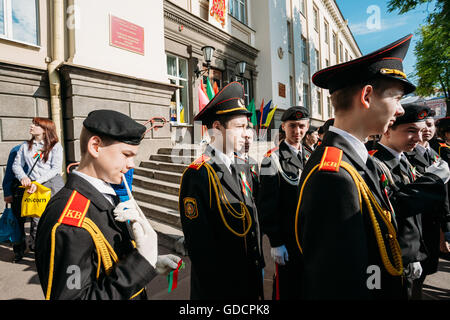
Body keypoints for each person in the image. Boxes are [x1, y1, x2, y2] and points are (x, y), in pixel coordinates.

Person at [295, 34, 419, 300]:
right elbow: (338, 284)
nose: (399, 111)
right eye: (396, 98)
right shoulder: (335, 175)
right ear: (367, 96)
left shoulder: (358, 160)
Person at [35, 110, 180, 300]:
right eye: (126, 154)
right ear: (95, 146)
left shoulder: (104, 194)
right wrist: (139, 265)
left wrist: (147, 264)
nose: (132, 164)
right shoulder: (70, 221)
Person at [179, 82, 264, 300]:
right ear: (217, 127)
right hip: (222, 291)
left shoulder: (243, 166)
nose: (247, 134)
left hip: (249, 281)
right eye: (240, 127)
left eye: (247, 126)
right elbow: (201, 249)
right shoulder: (199, 174)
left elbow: (252, 221)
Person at [370, 103, 450, 299]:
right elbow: (392, 209)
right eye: (411, 131)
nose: (419, 137)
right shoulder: (374, 162)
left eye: (421, 131)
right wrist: (431, 181)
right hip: (392, 257)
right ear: (388, 129)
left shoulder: (403, 159)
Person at [258, 106, 309, 300]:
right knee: (287, 290)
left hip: (308, 238)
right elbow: (267, 205)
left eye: (302, 126)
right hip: (287, 240)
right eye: (293, 126)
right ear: (283, 127)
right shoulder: (271, 159)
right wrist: (276, 242)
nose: (297, 131)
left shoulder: (311, 155)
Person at [404, 107, 450, 299]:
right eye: (424, 126)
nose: (427, 130)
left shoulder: (436, 154)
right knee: (413, 278)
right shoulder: (406, 154)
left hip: (433, 224)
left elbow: (444, 195)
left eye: (430, 125)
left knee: (427, 270)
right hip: (416, 224)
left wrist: (445, 228)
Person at [11, 117, 64, 262]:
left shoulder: (55, 146)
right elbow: (16, 165)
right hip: (33, 186)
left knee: (55, 217)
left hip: (52, 184)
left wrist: (37, 182)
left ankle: (57, 249)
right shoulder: (25, 146)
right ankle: (40, 252)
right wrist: (23, 177)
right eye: (32, 123)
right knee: (37, 219)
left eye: (35, 124)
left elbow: (55, 169)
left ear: (45, 129)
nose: (31, 126)